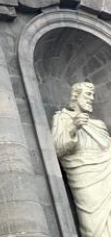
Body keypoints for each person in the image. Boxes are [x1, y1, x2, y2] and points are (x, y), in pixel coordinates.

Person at [52, 81, 111, 237]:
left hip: (107, 172)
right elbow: (57, 149)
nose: (91, 98)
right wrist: (73, 127)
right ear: (76, 96)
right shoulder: (62, 118)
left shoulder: (99, 125)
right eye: (88, 94)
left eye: (93, 95)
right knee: (93, 225)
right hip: (84, 176)